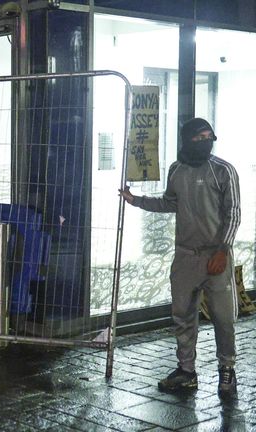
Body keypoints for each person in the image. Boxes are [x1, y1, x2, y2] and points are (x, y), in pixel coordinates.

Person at [119, 118, 240, 395]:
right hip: (185, 256)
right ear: (187, 139)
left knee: (224, 318)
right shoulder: (177, 169)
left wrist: (223, 250)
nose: (205, 141)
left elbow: (233, 214)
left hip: (216, 257)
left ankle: (227, 370)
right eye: (199, 137)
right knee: (183, 315)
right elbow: (170, 202)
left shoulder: (223, 171)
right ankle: (186, 371)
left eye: (209, 136)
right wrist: (135, 200)